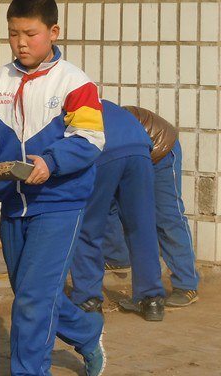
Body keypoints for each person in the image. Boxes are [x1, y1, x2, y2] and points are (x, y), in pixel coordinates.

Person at [0, 0, 107, 376]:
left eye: (30, 33)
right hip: (13, 204)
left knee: (32, 300)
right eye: (13, 33)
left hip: (59, 204)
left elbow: (90, 139)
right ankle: (87, 332)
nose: (21, 43)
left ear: (53, 32)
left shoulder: (75, 82)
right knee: (32, 294)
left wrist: (51, 161)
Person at [69, 100, 165, 321]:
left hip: (104, 151)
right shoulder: (97, 101)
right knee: (142, 226)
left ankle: (88, 300)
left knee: (86, 227)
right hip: (140, 150)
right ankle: (152, 300)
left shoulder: (56, 105)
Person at [103, 106, 199, 308]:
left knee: (167, 215)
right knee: (105, 202)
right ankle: (117, 257)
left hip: (159, 147)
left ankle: (186, 284)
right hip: (126, 153)